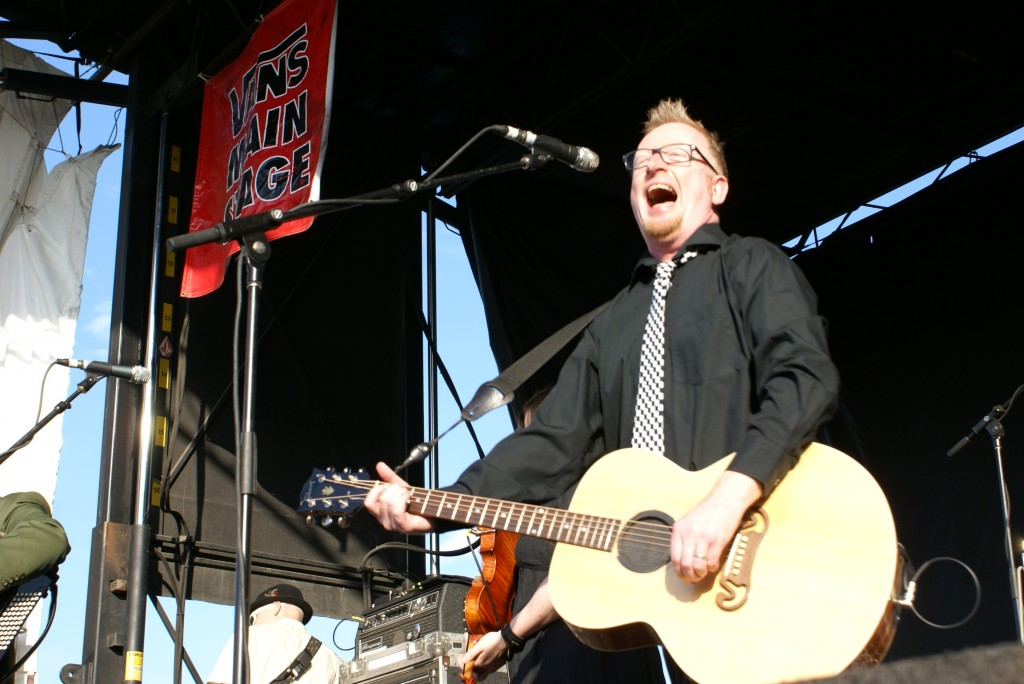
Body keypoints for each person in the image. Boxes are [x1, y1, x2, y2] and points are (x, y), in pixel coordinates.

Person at [365, 97, 840, 682]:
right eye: (641, 161)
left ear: (716, 187)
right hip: (679, 610)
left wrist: (724, 502)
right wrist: (433, 508)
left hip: (766, 560)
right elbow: (549, 445)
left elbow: (806, 379)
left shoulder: (752, 267)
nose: (654, 167)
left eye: (676, 154)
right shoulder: (612, 324)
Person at [459, 389, 664, 682]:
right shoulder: (545, 501)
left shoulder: (590, 488)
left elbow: (572, 576)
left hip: (582, 659)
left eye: (534, 434)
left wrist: (507, 638)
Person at [207, 583, 343, 684]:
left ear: (275, 607)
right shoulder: (333, 658)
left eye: (253, 618)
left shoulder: (249, 636)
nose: (252, 624)